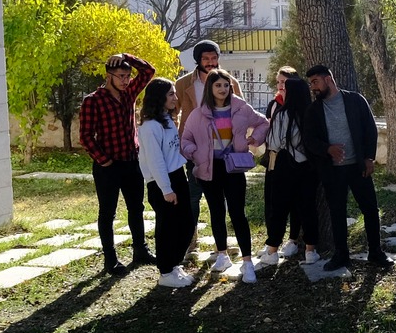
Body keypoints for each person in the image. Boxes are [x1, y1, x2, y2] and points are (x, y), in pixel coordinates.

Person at [180, 69, 268, 284]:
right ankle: (222, 255)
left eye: (226, 85)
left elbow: (263, 122)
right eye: (218, 85)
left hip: (234, 168)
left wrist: (254, 139)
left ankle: (247, 263)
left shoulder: (240, 108)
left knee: (238, 213)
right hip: (209, 169)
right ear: (210, 88)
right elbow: (185, 139)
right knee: (216, 212)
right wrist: (194, 152)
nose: (222, 89)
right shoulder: (199, 113)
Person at [299, 63, 389, 272]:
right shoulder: (314, 110)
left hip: (359, 167)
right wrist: (327, 149)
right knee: (336, 212)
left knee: (370, 210)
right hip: (332, 171)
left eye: (315, 82)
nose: (313, 87)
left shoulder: (355, 100)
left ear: (328, 79)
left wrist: (368, 158)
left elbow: (370, 130)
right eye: (311, 83)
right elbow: (309, 140)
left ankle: (375, 252)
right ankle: (341, 255)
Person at [79, 51, 156, 275]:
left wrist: (125, 56)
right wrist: (105, 162)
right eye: (120, 76)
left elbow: (148, 71)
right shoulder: (93, 101)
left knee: (137, 208)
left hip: (132, 161)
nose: (125, 81)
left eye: (127, 76)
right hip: (108, 166)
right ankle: (110, 259)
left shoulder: (129, 93)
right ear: (108, 76)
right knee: (107, 213)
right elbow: (85, 137)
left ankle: (140, 250)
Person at [135, 78, 197, 287]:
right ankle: (165, 272)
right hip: (162, 181)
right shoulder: (150, 126)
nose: (175, 98)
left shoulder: (166, 119)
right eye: (171, 94)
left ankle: (173, 263)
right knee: (168, 226)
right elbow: (155, 160)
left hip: (177, 175)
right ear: (159, 97)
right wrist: (166, 189)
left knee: (186, 223)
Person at [257, 73, 318, 264]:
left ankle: (273, 251)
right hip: (308, 167)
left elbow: (273, 143)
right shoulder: (312, 114)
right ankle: (310, 251)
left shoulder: (281, 114)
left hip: (283, 166)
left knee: (279, 208)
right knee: (308, 208)